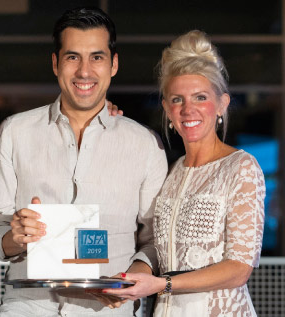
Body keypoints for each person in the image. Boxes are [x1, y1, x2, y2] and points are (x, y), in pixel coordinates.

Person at [0, 7, 168, 316]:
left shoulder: (145, 144)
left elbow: (154, 240)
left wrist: (131, 277)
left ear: (114, 64)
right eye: (73, 57)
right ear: (56, 63)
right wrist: (14, 238)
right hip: (29, 307)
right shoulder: (15, 133)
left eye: (96, 57)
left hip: (110, 309)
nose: (84, 71)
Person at [102, 30, 266, 316]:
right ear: (166, 108)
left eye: (200, 97)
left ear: (222, 104)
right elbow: (158, 248)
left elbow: (239, 269)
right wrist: (131, 279)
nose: (188, 110)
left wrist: (160, 285)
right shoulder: (172, 172)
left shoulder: (241, 167)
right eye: (177, 100)